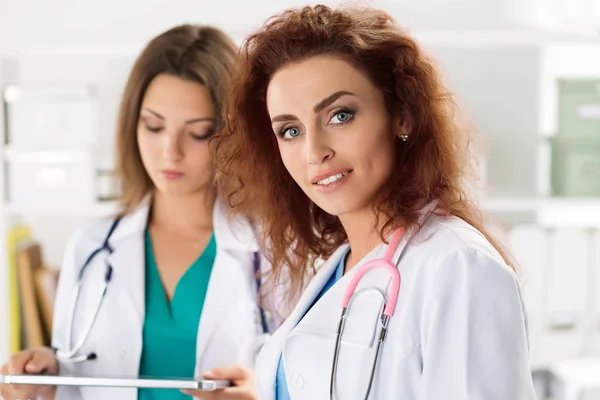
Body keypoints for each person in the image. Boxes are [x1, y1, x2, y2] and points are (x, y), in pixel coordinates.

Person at [206, 4, 537, 399]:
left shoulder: (458, 266)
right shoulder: (340, 266)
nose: (314, 151)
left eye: (340, 115)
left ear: (402, 116)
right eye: (290, 130)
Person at [0, 24, 275, 400]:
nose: (170, 152)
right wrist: (45, 376)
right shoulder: (92, 245)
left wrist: (266, 391)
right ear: (133, 124)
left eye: (198, 132)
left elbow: (311, 378)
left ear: (233, 133)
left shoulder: (273, 249)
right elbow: (71, 385)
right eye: (154, 126)